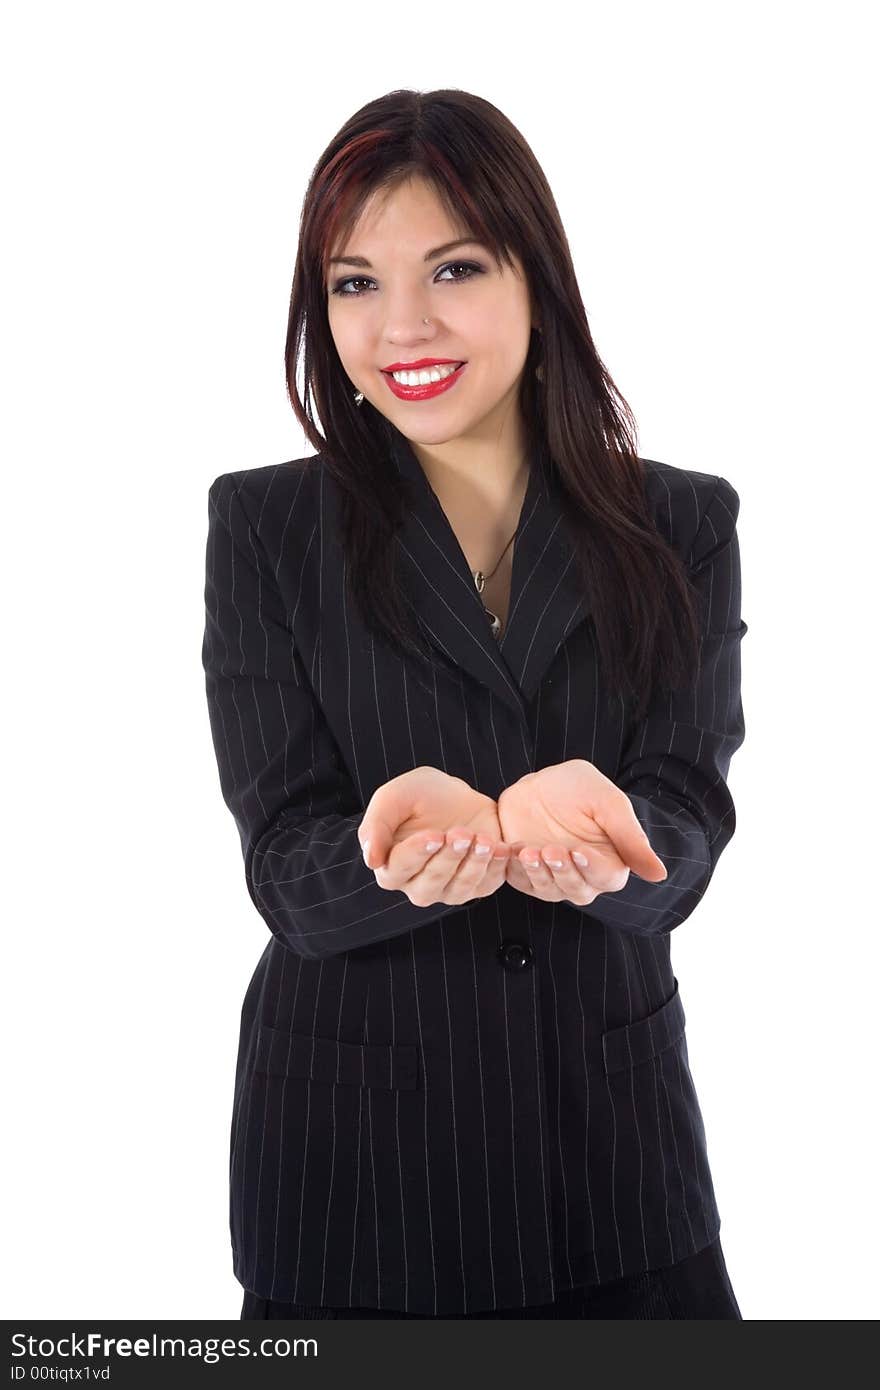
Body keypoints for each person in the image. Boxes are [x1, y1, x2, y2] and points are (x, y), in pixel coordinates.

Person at [202, 87, 747, 1320]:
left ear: (536, 281)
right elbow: (283, 861)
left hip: (611, 1165)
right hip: (354, 1173)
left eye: (453, 267)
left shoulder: (682, 522)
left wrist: (613, 841)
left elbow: (690, 828)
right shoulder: (266, 526)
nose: (402, 324)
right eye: (352, 283)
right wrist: (383, 848)